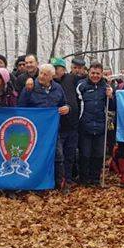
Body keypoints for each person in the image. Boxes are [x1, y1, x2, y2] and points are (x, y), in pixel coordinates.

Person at [19, 64, 71, 192]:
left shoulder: (58, 88)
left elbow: (64, 103)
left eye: (45, 74)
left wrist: (67, 108)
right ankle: (32, 184)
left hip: (52, 130)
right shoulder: (30, 87)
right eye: (41, 73)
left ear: (52, 76)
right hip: (33, 131)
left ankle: (60, 184)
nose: (42, 76)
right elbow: (20, 106)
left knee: (58, 156)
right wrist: (26, 90)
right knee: (34, 157)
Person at [76, 62, 113, 186]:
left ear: (102, 74)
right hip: (85, 125)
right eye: (93, 73)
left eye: (98, 73)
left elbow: (112, 107)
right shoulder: (82, 85)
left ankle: (95, 179)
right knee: (85, 153)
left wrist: (111, 96)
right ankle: (84, 179)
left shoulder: (106, 87)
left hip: (101, 126)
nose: (95, 76)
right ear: (88, 72)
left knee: (98, 154)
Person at [52, 58, 80, 191]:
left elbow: (86, 81)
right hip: (57, 127)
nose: (56, 71)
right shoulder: (49, 83)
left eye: (58, 68)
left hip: (73, 125)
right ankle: (57, 180)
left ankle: (68, 180)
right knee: (58, 156)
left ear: (63, 69)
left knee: (70, 155)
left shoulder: (71, 79)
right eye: (54, 68)